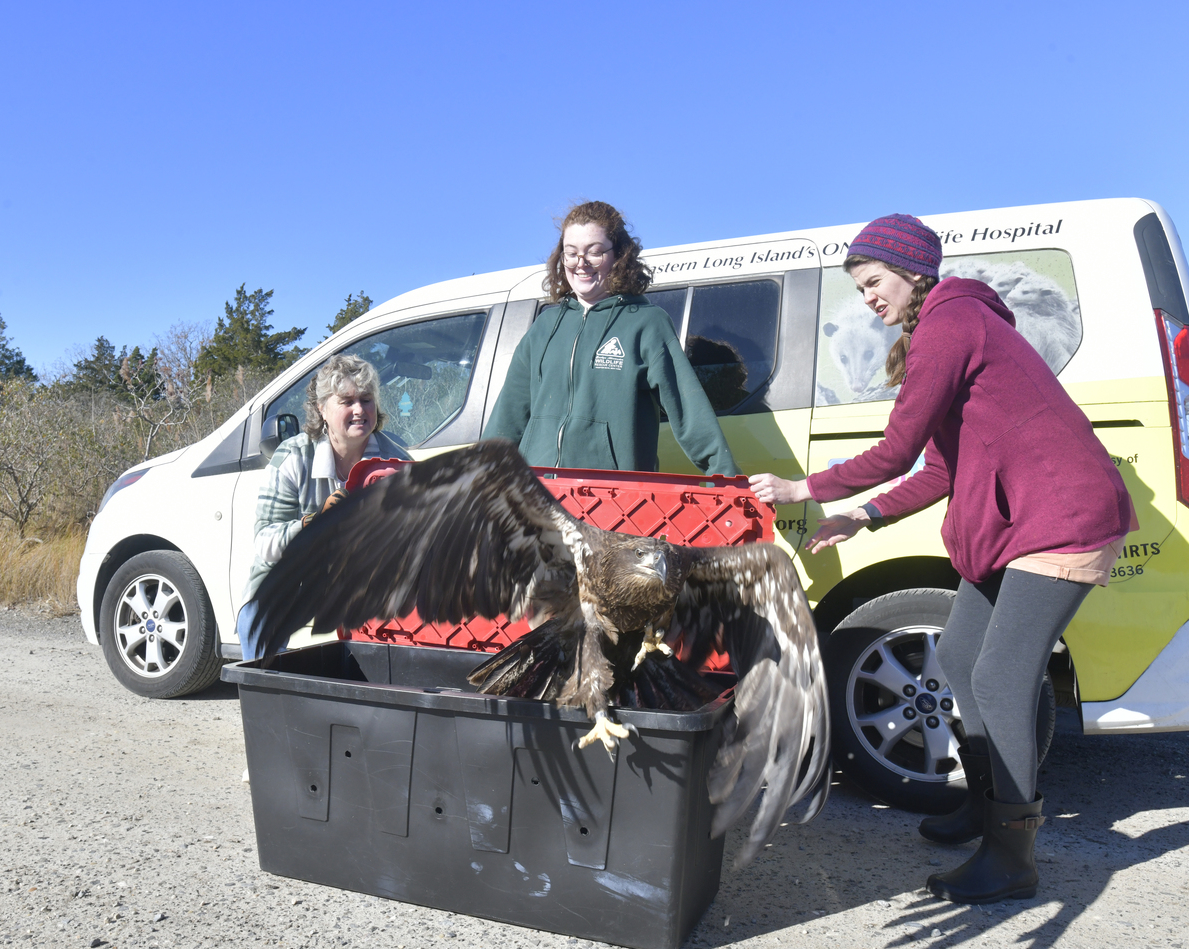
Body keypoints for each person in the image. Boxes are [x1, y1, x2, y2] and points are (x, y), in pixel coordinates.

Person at [749, 214, 1134, 905]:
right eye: (860, 287)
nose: (866, 297)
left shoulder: (951, 324)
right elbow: (936, 468)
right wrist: (859, 516)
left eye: (872, 282)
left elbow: (895, 450)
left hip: (1061, 518)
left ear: (911, 271)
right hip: (1018, 525)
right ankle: (986, 806)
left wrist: (802, 487)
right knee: (959, 656)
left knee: (1000, 677)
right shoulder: (949, 331)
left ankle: (1012, 853)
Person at [482, 201, 740, 476]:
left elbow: (689, 412)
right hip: (540, 494)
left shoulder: (646, 322)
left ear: (619, 255)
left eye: (594, 253)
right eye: (571, 254)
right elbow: (509, 414)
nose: (580, 264)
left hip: (613, 499)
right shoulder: (544, 326)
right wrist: (479, 476)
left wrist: (727, 479)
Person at [237, 354, 411, 660]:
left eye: (367, 399)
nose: (359, 410)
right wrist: (314, 524)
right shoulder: (294, 456)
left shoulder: (396, 461)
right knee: (258, 617)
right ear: (322, 409)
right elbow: (264, 541)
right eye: (346, 401)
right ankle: (270, 691)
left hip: (366, 581)